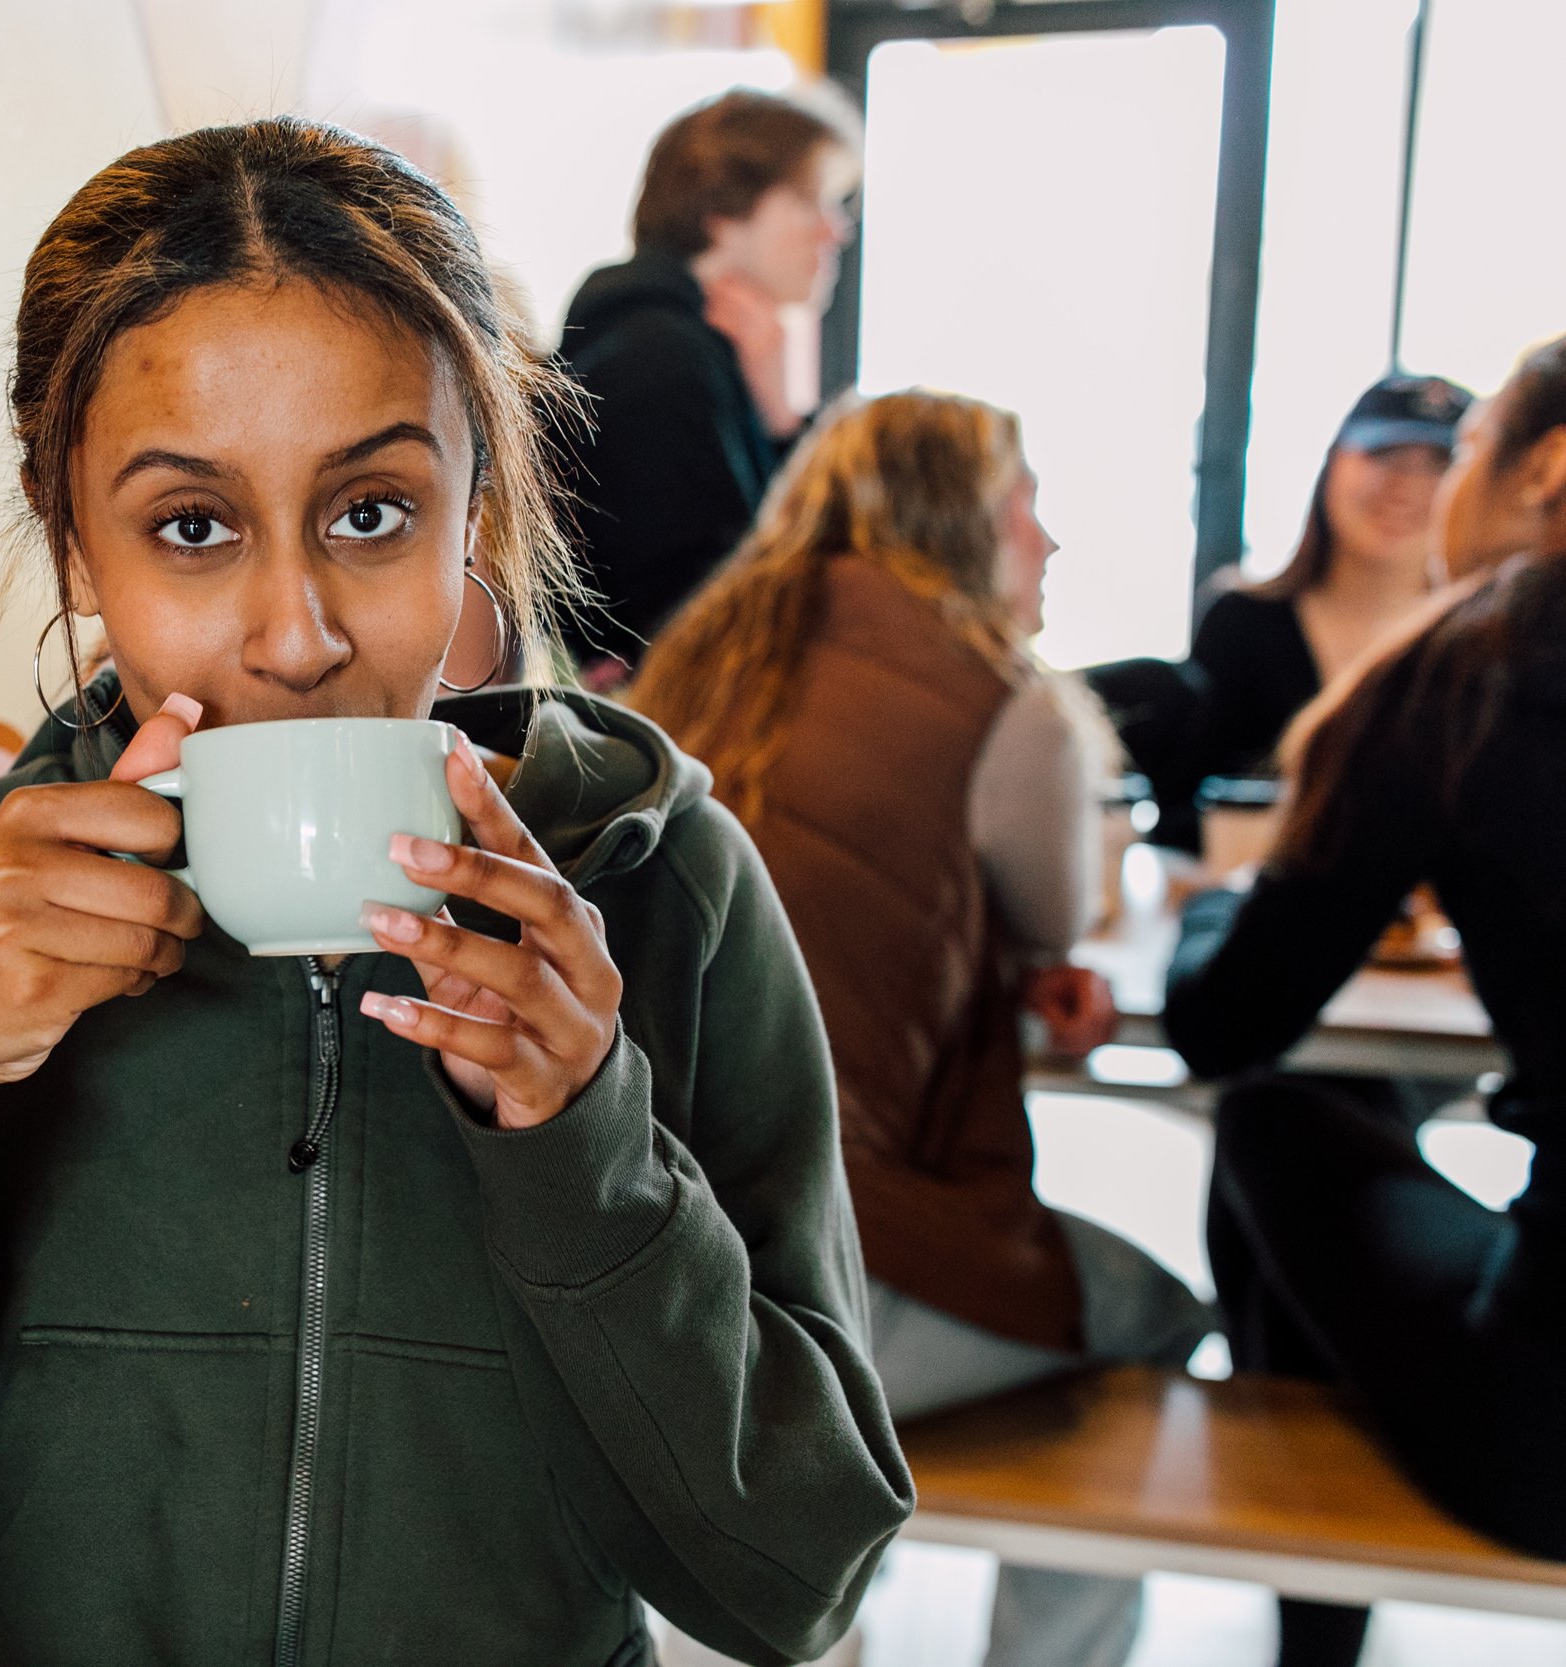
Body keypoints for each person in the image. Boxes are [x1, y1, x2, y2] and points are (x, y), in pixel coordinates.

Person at [0, 119, 912, 1667]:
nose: (295, 631)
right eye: (192, 526)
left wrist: (587, 1139)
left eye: (372, 511)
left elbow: (798, 1575)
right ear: (77, 549)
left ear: (478, 515)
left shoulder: (664, 893)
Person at [632, 392, 1211, 1667]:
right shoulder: (1004, 700)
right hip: (837, 1268)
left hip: (647, 1244)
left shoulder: (702, 659)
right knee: (1156, 1314)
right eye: (1027, 504)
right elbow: (1061, 907)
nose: (1049, 542)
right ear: (965, 520)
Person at [1167, 337, 1566, 1667]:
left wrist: (1218, 901)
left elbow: (1227, 1025)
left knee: (1280, 1116)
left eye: (1468, 445)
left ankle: (1313, 1640)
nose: (1437, 486)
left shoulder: (1466, 673)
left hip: (1547, 1438)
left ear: (1546, 466)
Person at [556, 87, 860, 682]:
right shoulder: (659, 356)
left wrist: (776, 413)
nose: (836, 231)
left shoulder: (688, 345)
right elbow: (711, 620)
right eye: (811, 200)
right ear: (721, 214)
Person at [1093, 374, 1469, 849]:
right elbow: (1177, 815)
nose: (1408, 485)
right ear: (1332, 463)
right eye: (1384, 455)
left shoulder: (1482, 647)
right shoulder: (1243, 623)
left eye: (1440, 464)